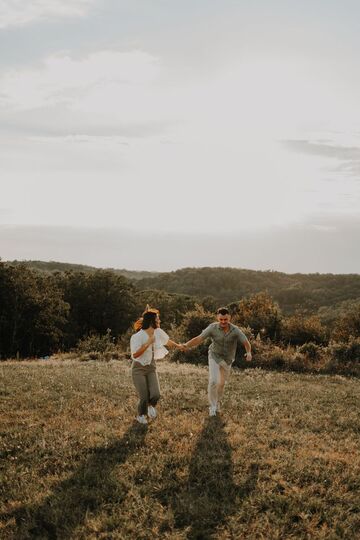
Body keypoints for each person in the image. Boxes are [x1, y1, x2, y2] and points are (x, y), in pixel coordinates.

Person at [183, 307, 252, 416]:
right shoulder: (212, 328)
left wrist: (248, 353)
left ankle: (218, 402)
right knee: (213, 381)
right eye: (221, 320)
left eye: (225, 319)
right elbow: (199, 338)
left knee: (221, 384)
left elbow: (246, 342)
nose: (223, 322)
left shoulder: (235, 330)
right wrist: (187, 345)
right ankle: (212, 406)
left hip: (227, 360)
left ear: (229, 318)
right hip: (214, 356)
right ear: (217, 318)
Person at [130, 307, 184, 425]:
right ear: (151, 322)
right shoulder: (137, 337)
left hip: (151, 367)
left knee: (155, 394)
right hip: (138, 368)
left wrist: (178, 346)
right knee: (144, 396)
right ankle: (141, 415)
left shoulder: (158, 332)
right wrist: (148, 343)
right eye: (158, 319)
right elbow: (135, 354)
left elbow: (167, 341)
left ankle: (151, 407)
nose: (159, 321)